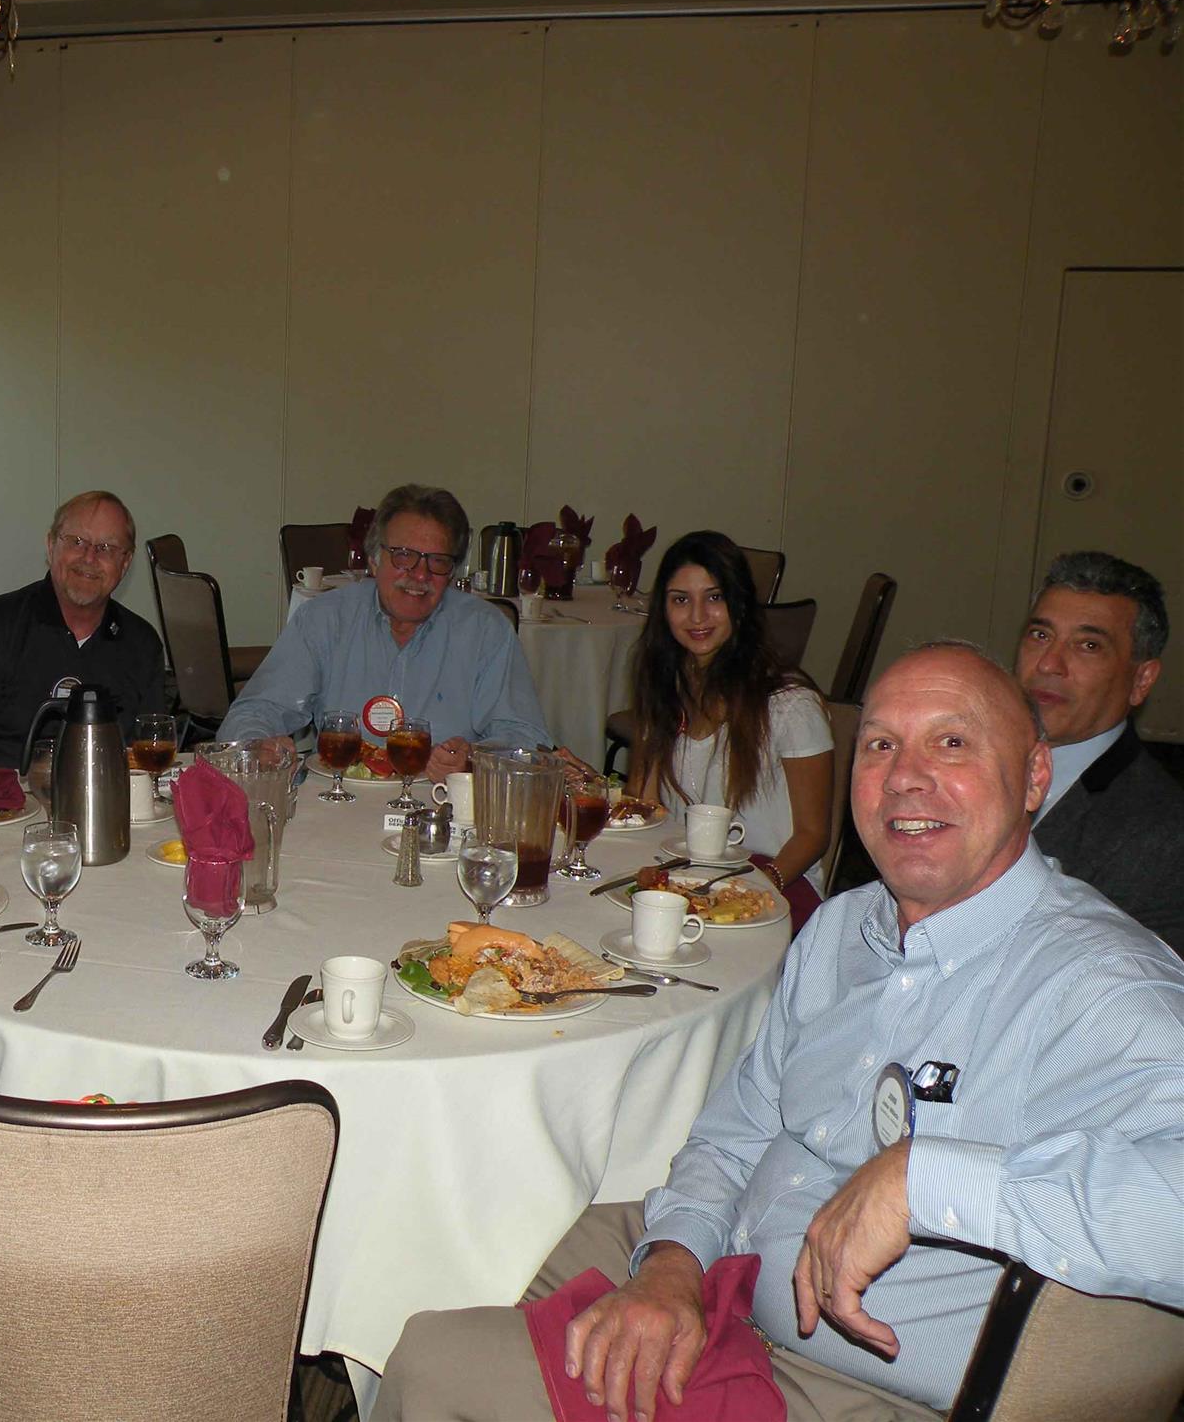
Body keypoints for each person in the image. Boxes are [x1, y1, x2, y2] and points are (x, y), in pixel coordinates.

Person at [375, 642, 1184, 1422]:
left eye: (952, 742)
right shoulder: (841, 930)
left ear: (1035, 775)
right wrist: (675, 1259)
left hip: (842, 1382)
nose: (906, 776)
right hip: (725, 1264)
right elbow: (737, 1131)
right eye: (881, 744)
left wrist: (925, 1180)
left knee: (435, 1359)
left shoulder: (1097, 984)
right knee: (472, 1241)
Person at [218, 484, 550, 779]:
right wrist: (257, 746)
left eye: (437, 561)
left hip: (442, 805)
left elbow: (525, 740)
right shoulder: (326, 619)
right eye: (403, 556)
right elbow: (254, 712)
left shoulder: (485, 630)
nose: (420, 575)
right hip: (337, 801)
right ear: (374, 560)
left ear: (452, 572)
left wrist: (473, 759)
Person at [624, 530, 833, 902]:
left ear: (739, 603)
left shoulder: (789, 705)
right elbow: (646, 808)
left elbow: (813, 835)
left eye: (714, 597)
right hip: (691, 871)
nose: (697, 616)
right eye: (681, 600)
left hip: (778, 878)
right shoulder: (664, 687)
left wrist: (758, 887)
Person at [1015, 550, 1184, 956]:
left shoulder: (1163, 838)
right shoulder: (957, 761)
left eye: (1088, 645)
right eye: (1040, 635)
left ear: (1141, 680)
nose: (1049, 664)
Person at [0, 490, 165, 771]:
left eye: (106, 548)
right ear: (51, 545)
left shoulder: (143, 644)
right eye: (77, 541)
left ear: (125, 563)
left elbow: (148, 752)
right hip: (5, 794)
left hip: (106, 794)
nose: (89, 557)